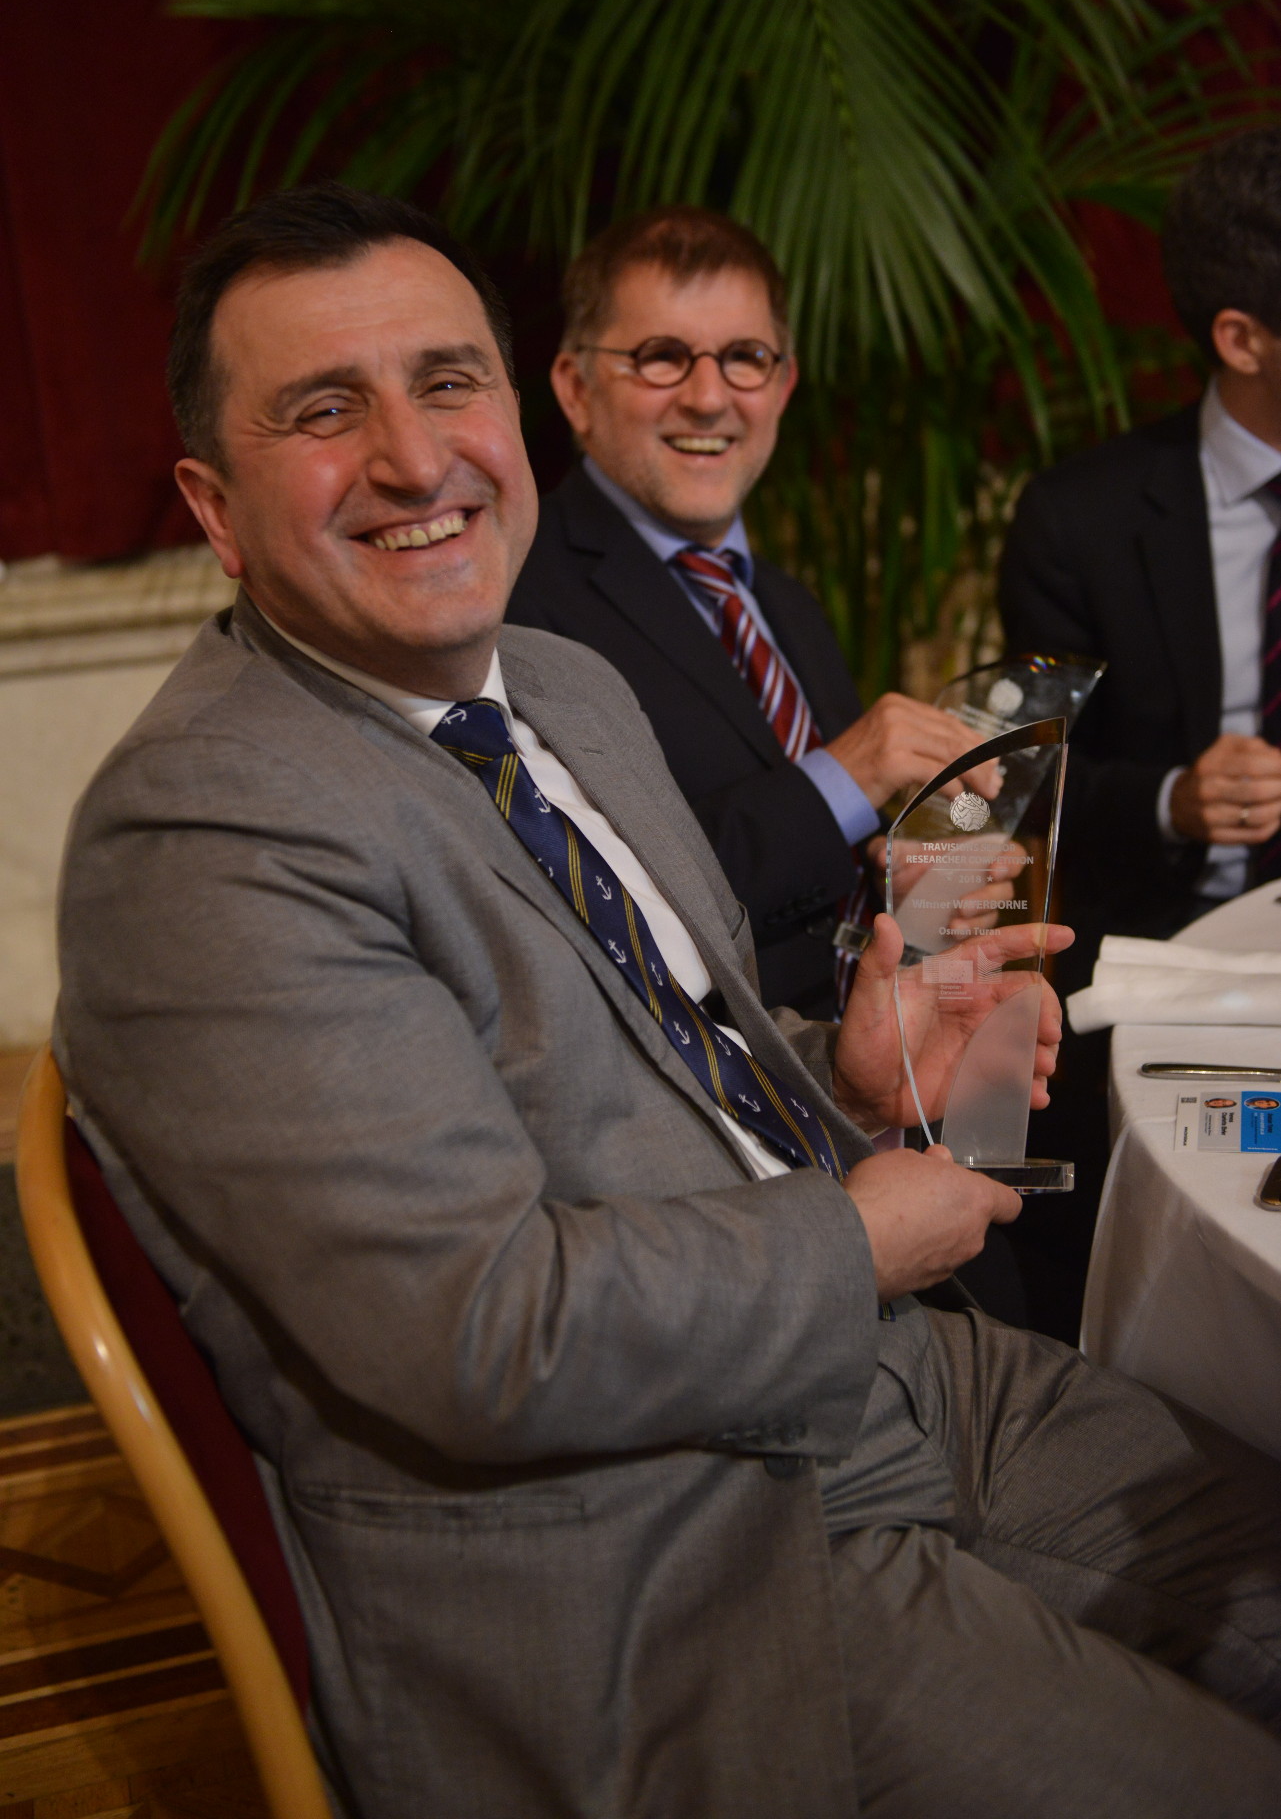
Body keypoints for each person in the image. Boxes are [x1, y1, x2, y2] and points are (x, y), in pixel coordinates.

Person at [56, 184, 1281, 1819]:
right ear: (215, 505)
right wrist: (853, 1237)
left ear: (513, 407)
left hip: (881, 1378)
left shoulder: (561, 687)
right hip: (662, 1554)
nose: (415, 460)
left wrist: (847, 1077)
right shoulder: (210, 836)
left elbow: (641, 1067)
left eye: (446, 382)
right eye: (325, 412)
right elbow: (480, 1336)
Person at [507, 208, 991, 1020]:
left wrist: (900, 880)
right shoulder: (516, 599)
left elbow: (806, 864)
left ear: (782, 386)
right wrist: (841, 778)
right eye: (661, 357)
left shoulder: (785, 602)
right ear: (575, 388)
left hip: (861, 1064)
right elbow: (579, 901)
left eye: (744, 358)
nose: (708, 398)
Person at [999, 126, 1281, 1336]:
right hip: (1155, 976)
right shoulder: (1080, 520)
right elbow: (1027, 781)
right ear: (1242, 338)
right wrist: (1173, 799)